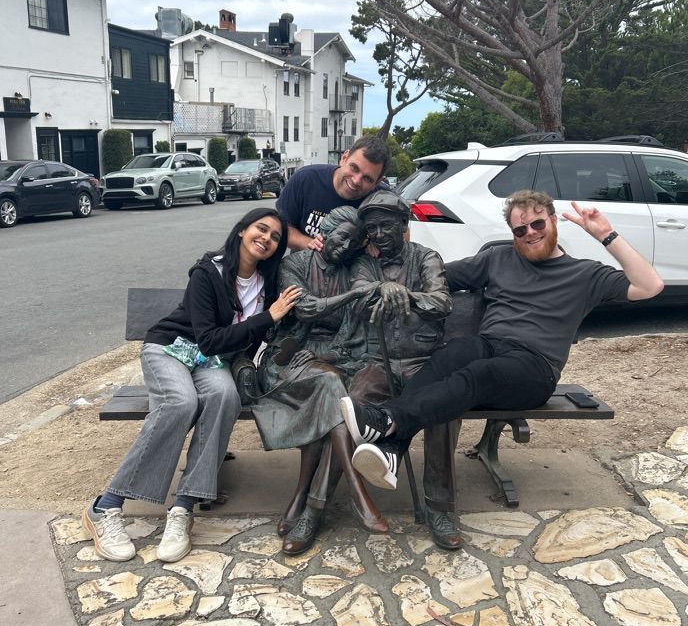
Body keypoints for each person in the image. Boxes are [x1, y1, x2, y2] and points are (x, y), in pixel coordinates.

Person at [341, 189, 665, 547]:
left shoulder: (585, 274)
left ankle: (387, 422)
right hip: (488, 346)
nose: (529, 234)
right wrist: (376, 259)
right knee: (450, 357)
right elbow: (431, 277)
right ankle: (391, 447)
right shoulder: (497, 259)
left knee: (478, 375)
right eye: (519, 230)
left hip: (533, 367)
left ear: (553, 221)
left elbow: (650, 286)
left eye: (537, 224)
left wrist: (605, 234)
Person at [83, 208, 302, 563]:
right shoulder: (208, 272)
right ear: (242, 230)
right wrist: (268, 316)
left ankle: (183, 508)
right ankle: (106, 506)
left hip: (212, 363)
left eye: (276, 237)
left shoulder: (268, 284)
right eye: (261, 229)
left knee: (225, 395)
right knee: (181, 402)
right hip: (171, 349)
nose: (267, 239)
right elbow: (210, 339)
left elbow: (246, 342)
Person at [253, 206, 388, 556]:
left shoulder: (354, 268)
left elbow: (362, 311)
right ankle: (357, 493)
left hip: (335, 358)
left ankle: (307, 503)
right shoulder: (294, 265)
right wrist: (352, 295)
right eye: (341, 238)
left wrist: (330, 355)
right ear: (325, 232)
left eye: (353, 242)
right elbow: (306, 309)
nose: (344, 247)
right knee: (333, 390)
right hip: (289, 359)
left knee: (335, 394)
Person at [338, 191, 458, 549]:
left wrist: (404, 294)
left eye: (385, 225)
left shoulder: (426, 258)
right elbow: (360, 291)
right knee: (350, 404)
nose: (377, 234)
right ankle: (323, 502)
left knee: (443, 410)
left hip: (424, 361)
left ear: (404, 226)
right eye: (371, 228)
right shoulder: (364, 264)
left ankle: (439, 507)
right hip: (379, 361)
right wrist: (381, 287)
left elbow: (442, 302)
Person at [277, 135, 390, 252]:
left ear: (377, 182)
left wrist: (379, 245)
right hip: (306, 265)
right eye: (354, 168)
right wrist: (311, 244)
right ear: (344, 158)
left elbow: (403, 236)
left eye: (367, 178)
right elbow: (281, 228)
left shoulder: (384, 199)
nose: (356, 180)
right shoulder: (305, 179)